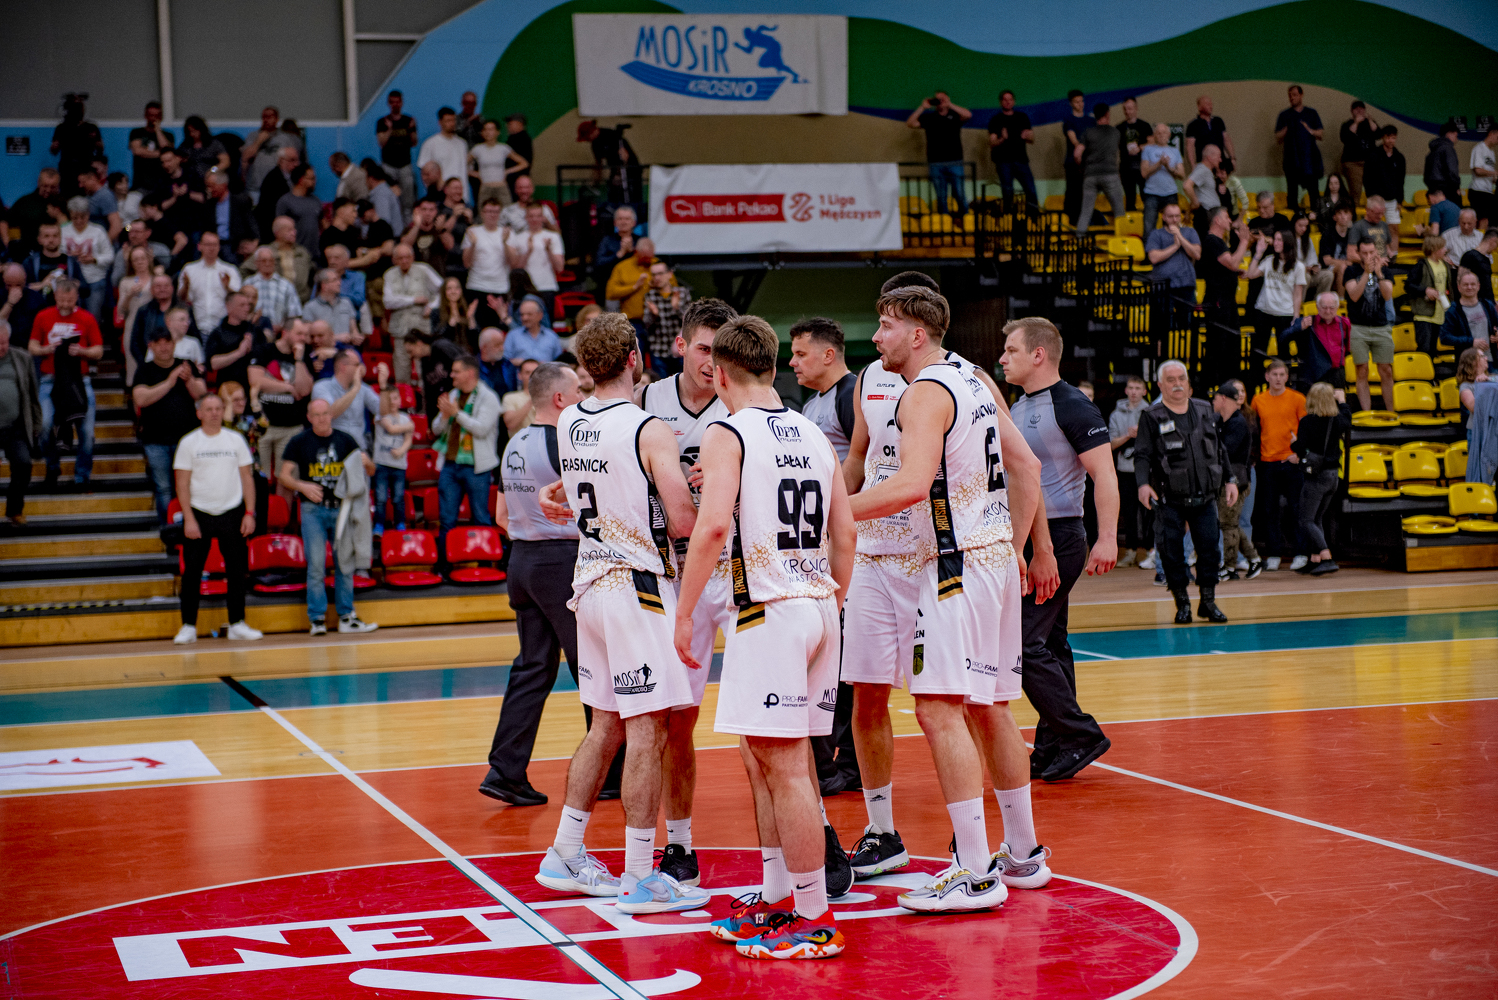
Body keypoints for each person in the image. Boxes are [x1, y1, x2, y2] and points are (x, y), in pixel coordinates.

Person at [843, 285, 1046, 911]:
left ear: (917, 333)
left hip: (954, 563)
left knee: (937, 709)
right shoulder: (972, 380)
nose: (877, 337)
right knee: (990, 708)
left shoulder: (926, 392)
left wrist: (831, 514)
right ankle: (1023, 854)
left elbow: (909, 485)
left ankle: (975, 872)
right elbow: (1028, 467)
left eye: (886, 325)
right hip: (988, 557)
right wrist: (1012, 544)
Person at [671, 315, 855, 959]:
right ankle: (781, 895)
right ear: (775, 368)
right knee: (773, 759)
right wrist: (831, 599)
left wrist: (684, 613)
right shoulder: (812, 429)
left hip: (769, 611)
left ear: (719, 375)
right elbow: (845, 532)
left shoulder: (727, 431)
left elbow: (711, 527)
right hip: (817, 604)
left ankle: (814, 915)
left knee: (785, 766)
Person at [531, 312, 707, 914]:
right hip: (637, 588)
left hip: (590, 583)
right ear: (635, 357)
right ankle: (638, 875)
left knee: (605, 725)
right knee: (646, 729)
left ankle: (565, 852)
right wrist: (717, 489)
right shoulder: (648, 428)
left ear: (587, 365)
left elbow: (596, 481)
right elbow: (683, 522)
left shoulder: (570, 420)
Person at [1000, 317, 1117, 780]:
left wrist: (1107, 538)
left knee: (1024, 643)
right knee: (1050, 641)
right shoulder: (1019, 405)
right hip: (1033, 536)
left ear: (1039, 354)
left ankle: (1079, 733)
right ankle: (1054, 745)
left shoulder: (1071, 405)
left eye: (1011, 350)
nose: (1003, 358)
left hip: (1061, 537)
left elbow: (1104, 475)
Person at [484, 362, 590, 805]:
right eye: (578, 391)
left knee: (533, 667)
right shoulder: (565, 441)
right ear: (560, 399)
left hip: (522, 561)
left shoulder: (514, 442)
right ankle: (607, 773)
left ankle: (505, 771)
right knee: (591, 667)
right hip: (559, 561)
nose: (584, 398)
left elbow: (500, 516)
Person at [1135, 359, 1235, 623]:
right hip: (1169, 499)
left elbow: (1220, 449)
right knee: (1171, 553)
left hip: (1205, 497)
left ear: (1188, 383)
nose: (1177, 384)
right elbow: (1142, 455)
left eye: (1181, 379)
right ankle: (1182, 604)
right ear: (1160, 385)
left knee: (1210, 551)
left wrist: (1230, 479)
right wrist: (1143, 484)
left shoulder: (1205, 410)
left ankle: (1208, 602)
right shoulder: (1151, 416)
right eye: (1171, 380)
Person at [279, 398, 378, 635]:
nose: (322, 418)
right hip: (313, 510)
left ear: (331, 415)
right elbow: (283, 476)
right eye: (317, 415)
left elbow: (371, 471)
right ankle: (317, 619)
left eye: (325, 413)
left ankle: (346, 617)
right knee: (316, 565)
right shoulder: (299, 441)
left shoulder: (346, 440)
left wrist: (368, 463)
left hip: (342, 509)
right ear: (309, 417)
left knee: (345, 564)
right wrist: (301, 486)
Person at [172, 392, 261, 644]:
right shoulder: (188, 442)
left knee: (236, 571)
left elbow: (247, 478)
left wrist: (249, 513)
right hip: (199, 512)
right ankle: (188, 626)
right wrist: (189, 518)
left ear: (223, 411)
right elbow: (182, 483)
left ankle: (237, 623)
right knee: (192, 572)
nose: (214, 413)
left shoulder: (236, 439)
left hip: (232, 511)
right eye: (209, 409)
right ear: (199, 413)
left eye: (218, 409)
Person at [29, 278, 102, 489]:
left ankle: (82, 475)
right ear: (55, 297)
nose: (66, 304)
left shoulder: (87, 318)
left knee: (87, 432)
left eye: (70, 300)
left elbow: (98, 350)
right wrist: (45, 349)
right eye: (62, 300)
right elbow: (32, 345)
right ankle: (52, 465)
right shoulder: (43, 316)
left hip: (79, 380)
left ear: (76, 298)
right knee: (44, 425)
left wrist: (82, 351)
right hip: (49, 379)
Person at [133, 329, 207, 525]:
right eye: (158, 343)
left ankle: (191, 527)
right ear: (151, 346)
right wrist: (169, 382)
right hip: (156, 440)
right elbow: (140, 399)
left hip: (187, 439)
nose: (164, 347)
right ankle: (169, 530)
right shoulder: (145, 369)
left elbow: (202, 395)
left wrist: (189, 380)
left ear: (174, 344)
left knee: (190, 485)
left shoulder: (186, 365)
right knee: (164, 488)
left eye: (167, 342)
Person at [432, 354, 501, 542]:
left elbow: (481, 429)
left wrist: (456, 414)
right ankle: (445, 560)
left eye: (456, 371)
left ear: (470, 373)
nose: (451, 375)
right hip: (450, 465)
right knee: (446, 521)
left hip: (476, 468)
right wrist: (445, 416)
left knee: (480, 518)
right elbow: (436, 429)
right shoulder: (453, 395)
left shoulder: (489, 397)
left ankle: (484, 559)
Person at [1249, 359, 1307, 571]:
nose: (1278, 378)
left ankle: (1301, 552)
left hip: (1291, 461)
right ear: (1267, 377)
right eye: (1274, 374)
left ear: (1287, 377)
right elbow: (1254, 430)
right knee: (1269, 510)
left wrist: (1299, 454)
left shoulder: (1297, 398)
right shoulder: (1258, 400)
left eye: (1282, 374)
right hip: (1267, 462)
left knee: (1296, 509)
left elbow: (1306, 429)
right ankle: (1274, 553)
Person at [1291, 382, 1350, 576]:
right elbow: (1348, 420)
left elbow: (1301, 448)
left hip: (1317, 476)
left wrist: (1293, 444)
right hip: (1333, 476)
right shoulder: (1337, 420)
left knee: (1305, 519)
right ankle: (1315, 559)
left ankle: (1326, 557)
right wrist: (1342, 401)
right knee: (1316, 518)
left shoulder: (1308, 421)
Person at [249, 321, 312, 484]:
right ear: (285, 332)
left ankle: (283, 503)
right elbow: (255, 380)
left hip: (292, 427)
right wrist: (288, 387)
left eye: (306, 335)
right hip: (263, 427)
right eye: (299, 334)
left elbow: (304, 390)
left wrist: (299, 360)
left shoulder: (304, 356)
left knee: (288, 479)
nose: (303, 338)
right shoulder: (264, 350)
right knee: (259, 478)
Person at [1199, 207, 1251, 388]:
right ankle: (1212, 385)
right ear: (1217, 220)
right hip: (1218, 301)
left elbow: (1226, 267)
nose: (1230, 221)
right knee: (1219, 344)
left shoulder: (1219, 242)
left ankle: (1230, 385)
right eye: (1227, 217)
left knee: (1232, 343)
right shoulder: (1212, 241)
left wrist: (1234, 273)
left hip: (1227, 300)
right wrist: (1244, 241)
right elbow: (1232, 263)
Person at [1345, 236, 1396, 412]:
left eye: (1371, 252)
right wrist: (1366, 272)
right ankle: (1367, 413)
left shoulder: (1385, 271)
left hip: (1381, 327)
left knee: (1386, 370)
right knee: (1362, 370)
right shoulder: (1351, 271)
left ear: (1376, 252)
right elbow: (1354, 295)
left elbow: (1388, 295)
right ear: (1358, 253)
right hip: (1358, 327)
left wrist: (1379, 273)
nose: (1368, 256)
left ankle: (1391, 412)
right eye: (1364, 253)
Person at [0, 318, 42, 526]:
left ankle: (14, 510)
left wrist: (36, 424)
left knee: (24, 464)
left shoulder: (22, 358)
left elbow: (32, 394)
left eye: (4, 342)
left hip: (15, 426)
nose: (1, 347)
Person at [907, 91, 972, 223]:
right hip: (935, 163)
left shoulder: (955, 116)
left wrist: (950, 104)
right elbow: (910, 123)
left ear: (948, 99)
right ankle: (944, 222)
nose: (940, 101)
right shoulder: (929, 117)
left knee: (959, 193)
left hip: (955, 161)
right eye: (937, 99)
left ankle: (966, 219)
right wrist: (922, 107)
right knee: (941, 196)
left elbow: (968, 115)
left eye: (943, 99)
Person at [383, 243, 443, 383]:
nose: (404, 261)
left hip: (421, 328)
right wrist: (414, 300)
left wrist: (432, 306)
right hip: (400, 328)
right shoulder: (389, 274)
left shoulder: (424, 269)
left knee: (424, 367)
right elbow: (388, 301)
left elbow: (442, 289)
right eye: (400, 258)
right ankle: (404, 395)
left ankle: (425, 394)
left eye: (407, 257)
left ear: (413, 257)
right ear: (394, 259)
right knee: (401, 368)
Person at [1246, 230, 1306, 363]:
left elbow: (1298, 294)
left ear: (1288, 242)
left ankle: (1283, 376)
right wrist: (1258, 253)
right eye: (1275, 239)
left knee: (1283, 352)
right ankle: (1256, 377)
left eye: (1279, 240)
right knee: (1258, 350)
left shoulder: (1298, 266)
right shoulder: (1269, 260)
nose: (1275, 243)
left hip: (1285, 313)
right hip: (1264, 311)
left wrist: (1296, 316)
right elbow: (1250, 274)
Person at [1108, 375, 1149, 566]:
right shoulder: (1116, 415)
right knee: (1129, 512)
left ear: (1144, 391)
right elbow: (1111, 444)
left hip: (1145, 470)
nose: (1134, 392)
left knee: (1148, 512)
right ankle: (1131, 551)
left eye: (1137, 388)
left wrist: (1141, 433)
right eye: (1131, 388)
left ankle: (1150, 551)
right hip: (1125, 470)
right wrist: (1128, 435)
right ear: (1126, 390)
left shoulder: (1150, 412)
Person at [60, 197, 112, 331]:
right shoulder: (63, 231)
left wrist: (94, 259)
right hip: (70, 282)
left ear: (88, 214)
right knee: (70, 317)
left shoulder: (98, 231)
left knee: (93, 317)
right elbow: (57, 254)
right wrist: (69, 256)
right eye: (75, 217)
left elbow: (109, 256)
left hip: (95, 281)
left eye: (82, 217)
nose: (78, 221)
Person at [311, 349, 380, 450]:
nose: (361, 368)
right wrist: (354, 389)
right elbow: (330, 413)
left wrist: (383, 387)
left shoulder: (363, 388)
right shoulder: (321, 386)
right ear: (343, 367)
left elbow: (382, 411)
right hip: (332, 449)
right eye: (357, 365)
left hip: (358, 448)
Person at [1145, 202, 1202, 325]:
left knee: (1187, 324)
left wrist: (1180, 237)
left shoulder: (1190, 232)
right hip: (1163, 286)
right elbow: (1154, 258)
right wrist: (1175, 246)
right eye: (1171, 216)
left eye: (1177, 216)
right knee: (1164, 324)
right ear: (1164, 217)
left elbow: (1197, 254)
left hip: (1186, 284)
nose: (1175, 219)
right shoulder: (1156, 234)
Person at [1074, 103, 1125, 233]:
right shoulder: (1115, 132)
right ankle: (1122, 240)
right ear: (1107, 114)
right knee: (1119, 210)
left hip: (1090, 175)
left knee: (1085, 212)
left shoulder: (1088, 132)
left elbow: (1077, 154)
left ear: (1095, 115)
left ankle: (1079, 240)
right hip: (1110, 174)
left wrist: (1082, 167)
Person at [178, 232, 242, 334]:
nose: (212, 248)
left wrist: (227, 287)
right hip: (196, 327)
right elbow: (182, 300)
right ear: (199, 246)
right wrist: (186, 286)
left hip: (223, 329)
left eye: (215, 245)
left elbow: (238, 300)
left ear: (219, 247)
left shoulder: (230, 270)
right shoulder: (189, 270)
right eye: (208, 244)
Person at [462, 198, 512, 330]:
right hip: (476, 285)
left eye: (495, 211)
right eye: (489, 211)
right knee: (476, 328)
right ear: (482, 213)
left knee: (499, 329)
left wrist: (505, 243)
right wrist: (473, 244)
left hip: (500, 287)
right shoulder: (472, 232)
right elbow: (466, 263)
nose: (492, 215)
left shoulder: (506, 233)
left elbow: (513, 263)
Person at [204, 291, 265, 391]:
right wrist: (239, 353)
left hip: (252, 387)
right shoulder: (218, 333)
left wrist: (253, 351)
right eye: (242, 305)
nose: (247, 309)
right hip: (227, 387)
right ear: (229, 307)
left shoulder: (255, 331)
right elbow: (213, 363)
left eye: (248, 305)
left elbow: (266, 357)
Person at [1275, 86, 1324, 209]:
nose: (1292, 98)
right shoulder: (1284, 115)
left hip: (1309, 160)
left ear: (1301, 95)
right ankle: (1294, 216)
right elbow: (1277, 137)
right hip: (1291, 160)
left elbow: (1321, 134)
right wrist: (1286, 129)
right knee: (1292, 192)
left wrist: (1309, 130)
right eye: (1290, 95)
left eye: (1295, 94)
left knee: (1314, 192)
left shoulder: (1311, 113)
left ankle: (1315, 215)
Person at [371, 386, 412, 533]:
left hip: (399, 465)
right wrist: (409, 426)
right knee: (381, 497)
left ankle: (400, 523)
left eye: (395, 398)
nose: (392, 402)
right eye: (388, 399)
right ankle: (379, 525)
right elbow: (390, 428)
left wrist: (401, 450)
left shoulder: (406, 418)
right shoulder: (380, 416)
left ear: (400, 400)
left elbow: (408, 440)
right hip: (381, 464)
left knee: (398, 497)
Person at [640, 259, 691, 377]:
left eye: (660, 274)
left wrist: (676, 308)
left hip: (679, 349)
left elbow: (689, 321)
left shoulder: (682, 293)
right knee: (660, 382)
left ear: (669, 274)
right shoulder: (650, 296)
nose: (657, 278)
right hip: (658, 349)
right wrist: (654, 314)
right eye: (654, 274)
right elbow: (646, 325)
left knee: (682, 381)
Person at [986, 90, 1037, 208]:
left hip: (1021, 160)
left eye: (1010, 99)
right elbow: (992, 142)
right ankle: (1008, 216)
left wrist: (1028, 136)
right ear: (1001, 102)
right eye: (1005, 100)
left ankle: (1034, 216)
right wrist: (1002, 139)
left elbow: (1032, 138)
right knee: (1008, 192)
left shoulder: (1022, 117)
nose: (1008, 102)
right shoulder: (996, 119)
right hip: (1003, 161)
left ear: (1014, 101)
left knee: (1030, 189)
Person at [508, 204, 565, 307]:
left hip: (546, 286)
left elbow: (559, 267)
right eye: (531, 216)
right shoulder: (518, 238)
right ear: (526, 217)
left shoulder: (553, 237)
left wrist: (548, 250)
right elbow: (515, 268)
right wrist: (528, 252)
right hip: (525, 288)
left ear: (543, 218)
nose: (534, 219)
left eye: (538, 216)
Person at [377, 91, 419, 224]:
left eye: (397, 102)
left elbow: (414, 142)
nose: (395, 104)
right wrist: (389, 129)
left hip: (405, 165)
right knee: (389, 200)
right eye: (392, 102)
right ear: (389, 103)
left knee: (408, 202)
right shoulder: (383, 122)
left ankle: (408, 228)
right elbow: (381, 142)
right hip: (388, 166)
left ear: (401, 102)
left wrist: (411, 129)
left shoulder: (408, 120)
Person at [418, 107, 472, 206]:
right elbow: (424, 171)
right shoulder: (430, 143)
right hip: (440, 196)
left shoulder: (462, 144)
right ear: (440, 122)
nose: (452, 123)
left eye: (453, 120)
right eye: (448, 121)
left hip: (461, 195)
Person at [1407, 236, 1451, 355]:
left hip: (1440, 313)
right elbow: (1408, 285)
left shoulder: (1445, 265)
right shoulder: (1421, 265)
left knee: (1433, 350)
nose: (1445, 250)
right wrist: (1425, 290)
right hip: (1424, 314)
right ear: (1434, 249)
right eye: (1442, 247)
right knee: (1424, 348)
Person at [469, 119, 526, 208]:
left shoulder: (503, 148)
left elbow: (523, 163)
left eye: (491, 129)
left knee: (506, 212)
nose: (488, 132)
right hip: (485, 187)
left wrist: (507, 171)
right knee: (484, 213)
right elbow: (462, 164)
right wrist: (475, 174)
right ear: (482, 132)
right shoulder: (477, 149)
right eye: (485, 129)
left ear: (497, 132)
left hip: (501, 187)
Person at [1139, 123, 1185, 233]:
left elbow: (1182, 175)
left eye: (1164, 133)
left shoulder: (1175, 151)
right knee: (1149, 228)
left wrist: (1168, 167)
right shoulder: (1148, 150)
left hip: (1170, 193)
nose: (1161, 135)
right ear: (1154, 135)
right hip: (1151, 194)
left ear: (1169, 135)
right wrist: (1159, 163)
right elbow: (1144, 173)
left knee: (1172, 227)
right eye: (1158, 133)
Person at [1442, 271, 1496, 360]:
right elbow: (1445, 338)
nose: (1469, 287)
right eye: (1465, 284)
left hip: (1490, 360)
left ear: (1478, 286)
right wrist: (1471, 342)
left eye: (1473, 284)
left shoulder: (1487, 305)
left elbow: (1496, 325)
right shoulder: (1453, 311)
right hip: (1467, 362)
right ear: (1459, 287)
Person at [303, 269, 360, 345]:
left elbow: (354, 330)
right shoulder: (310, 307)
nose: (339, 283)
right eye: (334, 280)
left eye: (339, 279)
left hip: (347, 347)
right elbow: (308, 338)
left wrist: (356, 336)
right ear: (324, 285)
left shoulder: (346, 303)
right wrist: (336, 338)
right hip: (323, 348)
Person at [274, 165, 321, 256]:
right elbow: (279, 228)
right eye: (312, 178)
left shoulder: (315, 201)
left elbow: (322, 224)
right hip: (295, 254)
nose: (314, 181)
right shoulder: (285, 201)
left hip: (314, 254)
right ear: (301, 180)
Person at [1115, 97, 1151, 214]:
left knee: (1146, 195)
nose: (1127, 112)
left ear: (1136, 109)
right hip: (1126, 167)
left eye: (1130, 109)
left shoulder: (1144, 126)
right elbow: (1115, 149)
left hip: (1142, 166)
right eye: (1125, 109)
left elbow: (1152, 143)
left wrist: (1140, 147)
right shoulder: (1119, 128)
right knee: (1130, 198)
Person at [1338, 102, 1378, 205]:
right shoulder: (1347, 124)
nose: (1359, 110)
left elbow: (1378, 133)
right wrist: (1356, 122)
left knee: (1374, 190)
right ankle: (1353, 211)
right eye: (1356, 108)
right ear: (1352, 111)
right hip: (1353, 163)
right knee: (1356, 190)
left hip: (1369, 163)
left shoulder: (1370, 123)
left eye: (1361, 108)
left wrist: (1370, 120)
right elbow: (1345, 137)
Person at [1363, 127, 1406, 224]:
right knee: (1373, 226)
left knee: (1394, 227)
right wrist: (1370, 196)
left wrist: (1400, 200)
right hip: (1376, 198)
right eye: (1388, 137)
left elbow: (1401, 181)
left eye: (1393, 138)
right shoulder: (1373, 156)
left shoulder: (1399, 158)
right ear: (1383, 138)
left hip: (1392, 199)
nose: (1390, 140)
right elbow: (1367, 178)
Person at [129, 101, 174, 193]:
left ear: (160, 117)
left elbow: (166, 150)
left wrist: (157, 130)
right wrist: (159, 154)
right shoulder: (137, 133)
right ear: (146, 116)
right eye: (151, 115)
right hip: (140, 183)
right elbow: (137, 151)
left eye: (156, 116)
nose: (153, 118)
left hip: (161, 182)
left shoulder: (168, 135)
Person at [1184, 95, 1235, 169]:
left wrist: (1232, 158)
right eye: (1207, 104)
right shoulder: (1193, 125)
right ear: (1199, 107)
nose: (1210, 106)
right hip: (1204, 164)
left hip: (1220, 163)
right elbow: (1190, 147)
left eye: (1211, 104)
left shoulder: (1218, 121)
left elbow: (1226, 140)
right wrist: (1193, 165)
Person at [1184, 144, 1224, 239]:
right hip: (1206, 214)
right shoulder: (1202, 169)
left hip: (1210, 213)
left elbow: (1198, 192)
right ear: (1210, 157)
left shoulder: (1206, 171)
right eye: (1218, 156)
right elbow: (1187, 185)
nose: (1220, 160)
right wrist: (1195, 201)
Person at [1424, 121, 1462, 205]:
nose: (1457, 139)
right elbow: (1452, 170)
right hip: (1448, 190)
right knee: (1453, 212)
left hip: (1434, 192)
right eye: (1455, 135)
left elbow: (1426, 175)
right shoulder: (1448, 149)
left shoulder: (1432, 151)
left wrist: (1432, 189)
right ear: (1449, 133)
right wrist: (1456, 187)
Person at [1470, 128, 1498, 229]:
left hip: (1488, 191)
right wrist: (1494, 173)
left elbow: (1490, 175)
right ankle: (1480, 238)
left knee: (1490, 220)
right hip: (1478, 190)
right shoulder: (1479, 149)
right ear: (1491, 133)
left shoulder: (1492, 152)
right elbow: (1477, 170)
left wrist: (1495, 177)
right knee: (1483, 219)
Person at [1460, 230, 1497, 304]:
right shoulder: (1469, 256)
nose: (1496, 249)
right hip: (1475, 302)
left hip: (1487, 303)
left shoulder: (1486, 260)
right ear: (1493, 241)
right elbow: (1460, 279)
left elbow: (1487, 285)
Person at [1456, 348, 1491, 423]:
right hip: (1478, 427)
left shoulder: (1492, 379)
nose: (1486, 358)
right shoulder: (1465, 386)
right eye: (1482, 356)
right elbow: (1475, 408)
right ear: (1472, 362)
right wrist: (1482, 385)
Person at [504, 114, 533, 199]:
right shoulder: (513, 138)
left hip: (516, 179)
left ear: (519, 124)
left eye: (510, 123)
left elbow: (525, 163)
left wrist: (507, 171)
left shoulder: (522, 139)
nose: (507, 126)